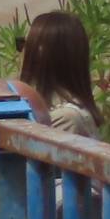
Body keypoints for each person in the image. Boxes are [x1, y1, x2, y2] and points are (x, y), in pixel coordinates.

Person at [15, 8, 101, 139]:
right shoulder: (61, 112)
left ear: (41, 54)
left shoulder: (65, 118)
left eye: (24, 44)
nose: (20, 52)